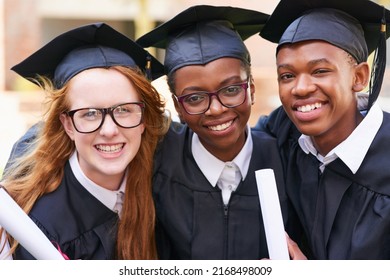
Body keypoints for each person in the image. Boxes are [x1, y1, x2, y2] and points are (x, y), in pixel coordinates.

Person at [136, 5, 305, 259]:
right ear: (177, 106)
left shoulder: (286, 159)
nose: (215, 109)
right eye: (194, 98)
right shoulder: (158, 162)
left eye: (231, 90)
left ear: (251, 89)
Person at [0, 22, 169, 260]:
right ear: (67, 125)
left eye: (124, 110)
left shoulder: (168, 179)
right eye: (90, 113)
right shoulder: (43, 226)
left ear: (144, 118)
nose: (109, 130)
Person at [257, 0, 390, 259]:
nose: (301, 88)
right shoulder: (284, 132)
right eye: (287, 75)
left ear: (359, 77)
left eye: (320, 71)